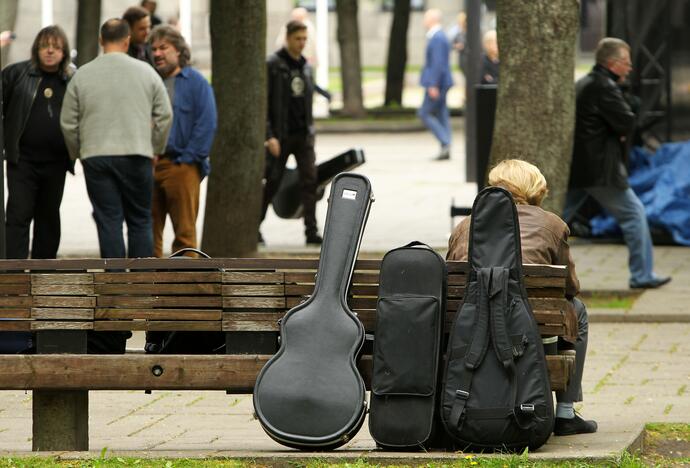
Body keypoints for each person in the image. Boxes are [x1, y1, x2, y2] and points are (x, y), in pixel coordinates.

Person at [447, 159, 598, 436]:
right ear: (537, 190)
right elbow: (570, 288)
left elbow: (452, 282)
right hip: (529, 323)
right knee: (577, 310)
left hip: (474, 322)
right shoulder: (553, 225)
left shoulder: (467, 225)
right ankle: (565, 412)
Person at [60, 18, 172, 353]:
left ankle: (113, 283)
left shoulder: (83, 74)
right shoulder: (145, 72)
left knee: (108, 219)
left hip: (97, 155)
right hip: (137, 153)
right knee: (139, 219)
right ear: (126, 40)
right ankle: (139, 282)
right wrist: (155, 147)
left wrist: (79, 150)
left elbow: (68, 122)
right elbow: (164, 114)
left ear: (100, 40)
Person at [564, 37, 671, 289]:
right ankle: (642, 275)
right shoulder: (604, 87)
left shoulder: (585, 83)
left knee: (555, 217)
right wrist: (629, 112)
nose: (630, 68)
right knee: (634, 214)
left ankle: (525, 262)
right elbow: (627, 123)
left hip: (581, 168)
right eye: (626, 62)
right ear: (613, 63)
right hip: (601, 170)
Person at [2, 25, 74, 260]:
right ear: (36, 49)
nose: (50, 51)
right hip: (22, 161)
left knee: (49, 218)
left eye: (56, 47)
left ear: (64, 52)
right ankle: (14, 275)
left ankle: (44, 272)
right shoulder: (15, 74)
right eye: (45, 46)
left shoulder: (72, 79)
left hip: (57, 162)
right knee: (17, 216)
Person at [149, 25, 217, 257]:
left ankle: (187, 285)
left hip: (182, 165)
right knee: (148, 234)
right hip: (148, 166)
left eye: (163, 48)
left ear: (178, 51)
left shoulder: (196, 82)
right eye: (153, 48)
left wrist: (187, 160)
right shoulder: (148, 81)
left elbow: (207, 123)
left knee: (185, 235)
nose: (157, 53)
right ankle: (151, 287)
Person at [260, 20, 322, 246]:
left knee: (310, 183)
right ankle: (255, 227)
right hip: (280, 135)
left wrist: (310, 132)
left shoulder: (305, 66)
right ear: (287, 38)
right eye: (298, 39)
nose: (302, 43)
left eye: (305, 39)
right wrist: (269, 136)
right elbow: (264, 103)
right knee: (273, 182)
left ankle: (311, 232)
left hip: (303, 135)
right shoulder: (274, 64)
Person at [418, 9, 454, 161]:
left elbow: (437, 64)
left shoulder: (437, 37)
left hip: (437, 83)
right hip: (441, 82)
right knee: (441, 113)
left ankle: (445, 142)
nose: (423, 21)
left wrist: (433, 84)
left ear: (432, 20)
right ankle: (446, 146)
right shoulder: (438, 36)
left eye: (425, 18)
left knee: (424, 113)